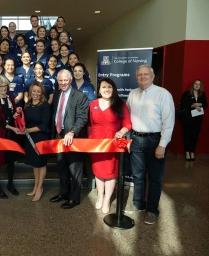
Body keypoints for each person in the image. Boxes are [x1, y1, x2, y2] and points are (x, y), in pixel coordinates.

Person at [126, 65, 175, 225]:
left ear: (153, 77)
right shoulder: (133, 94)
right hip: (135, 139)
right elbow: (127, 119)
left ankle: (152, 210)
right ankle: (138, 204)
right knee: (138, 176)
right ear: (136, 77)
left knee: (155, 178)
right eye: (139, 75)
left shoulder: (163, 94)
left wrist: (163, 144)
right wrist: (127, 139)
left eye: (146, 74)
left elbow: (169, 121)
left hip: (155, 140)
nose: (143, 77)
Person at [89, 78, 131, 214]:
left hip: (113, 144)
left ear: (113, 89)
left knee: (111, 173)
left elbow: (128, 124)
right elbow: (89, 124)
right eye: (103, 87)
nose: (106, 89)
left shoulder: (121, 104)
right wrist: (90, 142)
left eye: (109, 87)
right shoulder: (93, 104)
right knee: (98, 172)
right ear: (99, 90)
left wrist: (121, 132)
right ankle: (100, 197)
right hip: (96, 144)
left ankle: (107, 200)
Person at [49, 69, 88, 209]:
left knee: (75, 169)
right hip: (59, 136)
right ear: (58, 81)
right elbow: (55, 114)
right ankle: (64, 193)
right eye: (61, 80)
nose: (63, 83)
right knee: (61, 166)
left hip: (73, 137)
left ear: (70, 80)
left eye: (66, 80)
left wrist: (72, 132)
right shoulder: (57, 94)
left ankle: (75, 198)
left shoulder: (80, 96)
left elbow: (82, 118)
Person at [0, 76, 22, 199]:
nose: (4, 88)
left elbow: (12, 114)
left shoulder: (11, 98)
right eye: (1, 86)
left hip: (10, 135)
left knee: (11, 161)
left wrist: (16, 112)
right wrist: (12, 128)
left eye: (5, 86)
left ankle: (10, 184)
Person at [24, 82, 51, 202]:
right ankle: (35, 186)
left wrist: (28, 130)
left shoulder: (45, 105)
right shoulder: (28, 104)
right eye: (33, 91)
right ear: (30, 92)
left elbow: (44, 124)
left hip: (41, 137)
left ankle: (40, 188)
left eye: (38, 91)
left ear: (42, 93)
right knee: (35, 164)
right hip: (30, 138)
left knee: (41, 163)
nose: (35, 93)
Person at [180, 79, 207, 161]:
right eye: (196, 84)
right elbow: (183, 104)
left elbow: (205, 104)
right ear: (193, 84)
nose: (197, 85)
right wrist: (193, 105)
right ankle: (187, 152)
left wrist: (199, 104)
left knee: (195, 136)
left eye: (199, 84)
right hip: (188, 118)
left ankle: (192, 152)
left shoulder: (202, 94)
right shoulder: (187, 93)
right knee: (187, 135)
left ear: (200, 86)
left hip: (198, 119)